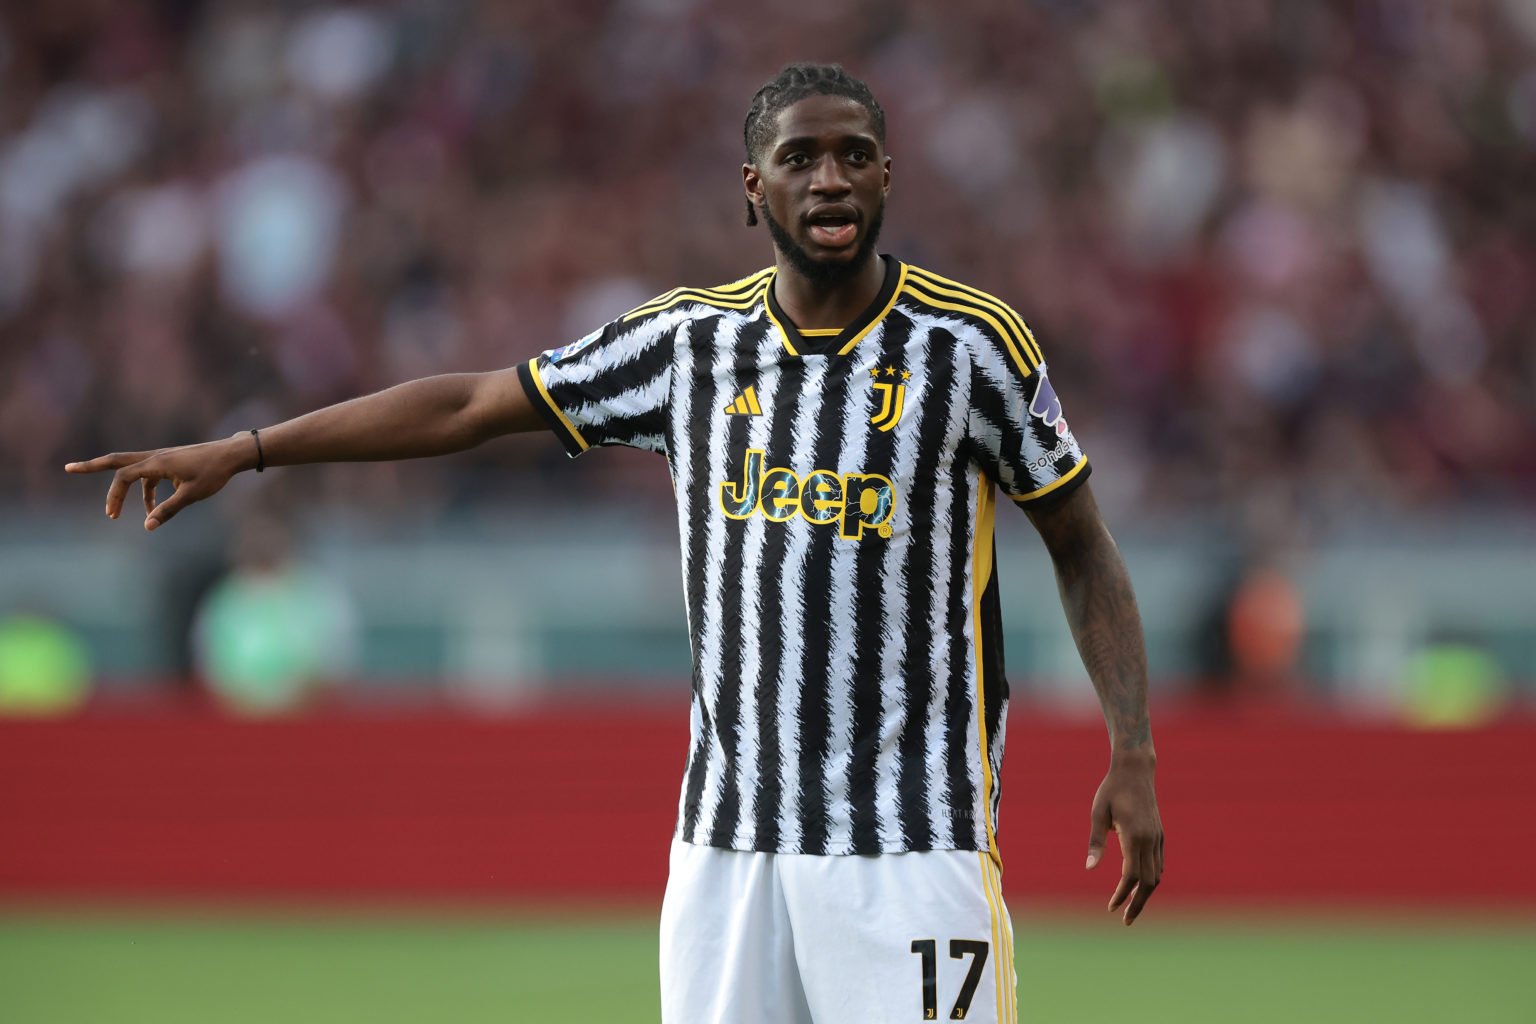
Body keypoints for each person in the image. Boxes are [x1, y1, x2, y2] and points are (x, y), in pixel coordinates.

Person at [68, 63, 1163, 1024]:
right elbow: (469, 405)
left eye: (854, 156)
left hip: (911, 847)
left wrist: (1134, 750)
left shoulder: (969, 348)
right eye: (800, 157)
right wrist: (250, 450)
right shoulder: (689, 344)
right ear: (754, 189)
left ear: (886, 178)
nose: (828, 178)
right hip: (727, 851)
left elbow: (1081, 542)